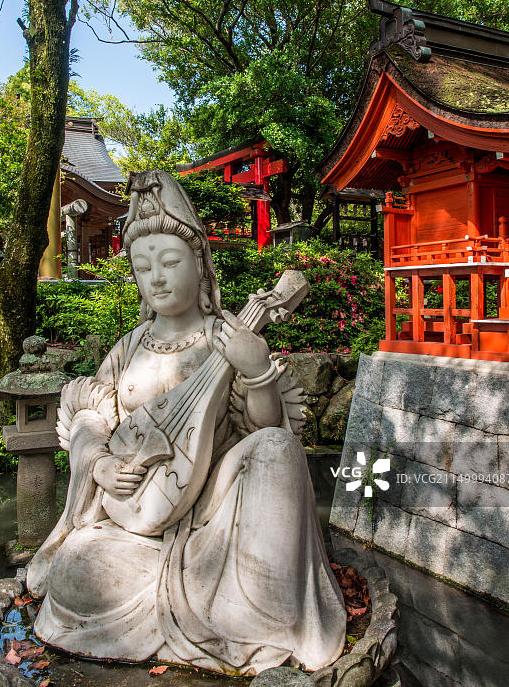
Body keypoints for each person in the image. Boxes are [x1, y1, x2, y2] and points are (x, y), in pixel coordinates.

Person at [27, 170, 345, 676]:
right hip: (135, 531)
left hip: (214, 518)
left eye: (170, 262)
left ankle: (258, 609)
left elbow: (263, 433)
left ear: (199, 264)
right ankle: (218, 607)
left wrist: (258, 372)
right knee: (77, 566)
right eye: (142, 266)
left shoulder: (227, 336)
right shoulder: (129, 347)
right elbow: (89, 411)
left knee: (278, 452)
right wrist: (100, 463)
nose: (156, 277)